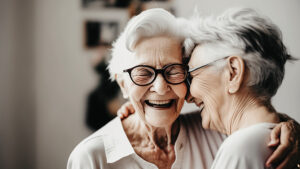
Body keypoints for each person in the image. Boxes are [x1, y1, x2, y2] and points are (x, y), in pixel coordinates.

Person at [68, 8, 299, 169]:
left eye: (174, 71)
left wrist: (291, 128)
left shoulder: (218, 129)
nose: (160, 87)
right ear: (123, 85)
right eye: (143, 74)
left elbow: (254, 121)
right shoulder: (90, 158)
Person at [184, 8, 300, 169]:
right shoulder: (273, 140)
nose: (188, 96)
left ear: (233, 73)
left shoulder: (240, 148)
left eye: (192, 75)